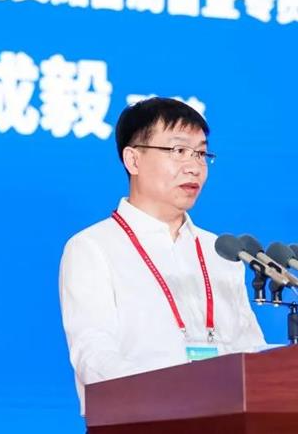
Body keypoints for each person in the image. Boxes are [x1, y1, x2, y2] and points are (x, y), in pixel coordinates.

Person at [58, 97, 266, 412]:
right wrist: (179, 391)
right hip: (140, 421)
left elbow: (251, 351)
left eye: (200, 153)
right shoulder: (93, 247)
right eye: (178, 150)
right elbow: (94, 356)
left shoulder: (222, 251)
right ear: (133, 160)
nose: (194, 166)